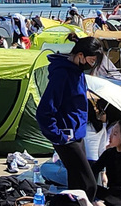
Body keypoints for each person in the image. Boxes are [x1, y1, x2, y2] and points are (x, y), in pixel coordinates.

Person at [36, 36, 104, 196]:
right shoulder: (62, 75)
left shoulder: (77, 72)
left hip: (77, 134)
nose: (92, 64)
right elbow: (44, 111)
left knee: (77, 185)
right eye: (91, 60)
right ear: (80, 55)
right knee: (88, 186)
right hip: (67, 137)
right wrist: (58, 135)